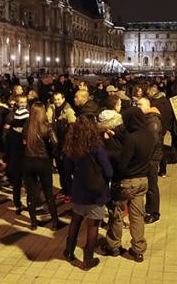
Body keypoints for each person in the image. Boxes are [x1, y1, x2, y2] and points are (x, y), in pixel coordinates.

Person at [104, 106, 154, 263]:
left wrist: (111, 156)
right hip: (143, 181)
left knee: (117, 215)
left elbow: (122, 165)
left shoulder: (132, 139)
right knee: (137, 216)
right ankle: (138, 250)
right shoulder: (150, 135)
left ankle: (114, 246)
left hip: (127, 182)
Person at [63, 115, 113, 270]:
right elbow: (108, 170)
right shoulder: (96, 146)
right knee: (93, 225)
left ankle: (69, 251)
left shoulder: (71, 145)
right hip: (95, 191)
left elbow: (67, 169)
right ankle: (88, 259)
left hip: (78, 189)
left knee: (76, 220)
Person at [22, 102, 61, 230]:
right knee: (48, 192)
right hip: (43, 161)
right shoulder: (46, 126)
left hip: (28, 161)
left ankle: (33, 222)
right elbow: (55, 142)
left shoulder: (27, 125)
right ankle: (55, 222)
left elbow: (23, 140)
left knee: (31, 193)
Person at [136, 97, 163, 224]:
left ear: (147, 105)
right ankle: (148, 209)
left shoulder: (152, 120)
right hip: (149, 157)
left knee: (152, 185)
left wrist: (144, 156)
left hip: (151, 158)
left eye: (140, 104)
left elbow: (152, 141)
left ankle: (153, 212)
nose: (137, 106)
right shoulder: (147, 118)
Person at [46, 92, 77, 199]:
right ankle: (65, 190)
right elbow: (48, 121)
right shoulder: (53, 109)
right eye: (55, 99)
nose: (57, 101)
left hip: (66, 145)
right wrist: (50, 109)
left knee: (67, 171)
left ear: (63, 99)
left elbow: (73, 128)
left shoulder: (68, 111)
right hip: (57, 145)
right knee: (61, 170)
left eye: (59, 99)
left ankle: (70, 192)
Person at [3, 95, 30, 213]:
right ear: (17, 103)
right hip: (19, 158)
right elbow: (5, 139)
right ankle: (18, 203)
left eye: (25, 102)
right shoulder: (12, 118)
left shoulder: (24, 116)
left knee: (22, 182)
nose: (23, 104)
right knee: (19, 181)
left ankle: (20, 203)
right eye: (21, 102)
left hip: (20, 158)